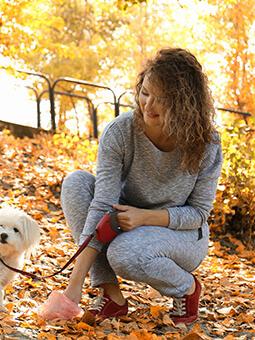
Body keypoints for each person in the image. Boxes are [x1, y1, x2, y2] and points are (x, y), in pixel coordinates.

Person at [59, 47, 223, 324]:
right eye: (145, 93)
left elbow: (198, 214)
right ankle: (110, 296)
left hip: (182, 234)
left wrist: (145, 217)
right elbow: (102, 206)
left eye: (162, 100)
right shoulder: (120, 131)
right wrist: (73, 287)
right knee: (76, 183)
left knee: (124, 253)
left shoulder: (206, 143)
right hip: (125, 221)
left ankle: (187, 288)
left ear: (185, 103)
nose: (148, 105)